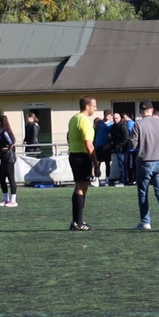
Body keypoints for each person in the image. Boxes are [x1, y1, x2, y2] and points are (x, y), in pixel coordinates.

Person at [132, 100, 159, 230]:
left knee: (143, 192)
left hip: (145, 161)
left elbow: (133, 144)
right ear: (152, 109)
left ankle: (145, 222)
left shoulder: (138, 124)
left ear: (140, 111)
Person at [67, 96, 98, 230]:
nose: (96, 108)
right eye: (94, 105)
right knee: (82, 188)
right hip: (81, 156)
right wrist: (96, 163)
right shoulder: (84, 121)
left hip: (73, 155)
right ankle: (78, 223)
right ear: (87, 106)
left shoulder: (74, 118)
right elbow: (89, 144)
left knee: (78, 186)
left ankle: (76, 221)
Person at [0, 115, 19, 208]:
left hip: (9, 158)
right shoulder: (2, 132)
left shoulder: (5, 132)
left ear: (0, 123)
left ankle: (13, 200)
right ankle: (6, 199)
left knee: (11, 178)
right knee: (1, 178)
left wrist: (8, 148)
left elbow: (12, 141)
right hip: (3, 159)